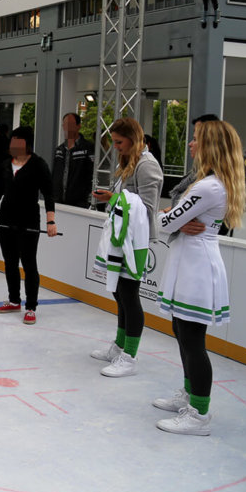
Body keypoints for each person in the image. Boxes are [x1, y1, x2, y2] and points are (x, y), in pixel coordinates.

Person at [153, 120, 246, 435]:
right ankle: (190, 394)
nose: (191, 144)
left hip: (196, 267)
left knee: (192, 340)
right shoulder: (210, 182)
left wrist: (170, 218)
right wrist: (173, 219)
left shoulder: (209, 186)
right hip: (189, 262)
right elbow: (171, 220)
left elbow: (166, 222)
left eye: (195, 140)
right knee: (182, 332)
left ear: (209, 146)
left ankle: (199, 415)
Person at [91, 117, 163, 377]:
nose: (116, 147)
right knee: (120, 294)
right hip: (121, 238)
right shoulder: (130, 162)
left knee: (129, 296)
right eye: (114, 142)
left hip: (136, 242)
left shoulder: (148, 166)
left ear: (133, 139)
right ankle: (120, 346)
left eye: (119, 142)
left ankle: (129, 356)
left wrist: (114, 197)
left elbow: (148, 209)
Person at [0, 126, 58, 325]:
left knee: (29, 264)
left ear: (27, 144)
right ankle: (14, 300)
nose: (13, 145)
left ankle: (31, 307)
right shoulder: (6, 164)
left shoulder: (38, 165)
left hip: (28, 222)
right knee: (10, 263)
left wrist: (51, 221)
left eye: (18, 142)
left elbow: (49, 194)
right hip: (6, 220)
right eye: (12, 142)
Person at [51, 112, 95, 208]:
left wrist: (85, 197)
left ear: (78, 126)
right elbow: (55, 173)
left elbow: (92, 174)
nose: (67, 128)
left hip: (79, 203)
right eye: (65, 124)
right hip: (58, 201)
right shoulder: (59, 149)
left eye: (70, 124)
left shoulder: (88, 148)